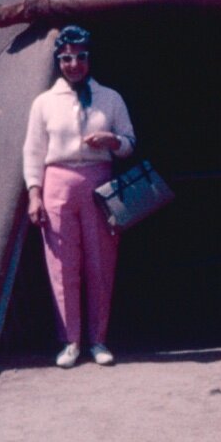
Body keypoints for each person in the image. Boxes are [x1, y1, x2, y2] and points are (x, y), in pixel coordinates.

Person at [21, 25, 135, 367]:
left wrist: (113, 142)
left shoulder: (110, 98)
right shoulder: (44, 103)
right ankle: (70, 341)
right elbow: (33, 151)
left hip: (99, 185)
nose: (74, 64)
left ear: (89, 58)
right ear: (59, 60)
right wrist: (34, 194)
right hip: (57, 184)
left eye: (80, 57)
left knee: (101, 263)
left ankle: (98, 339)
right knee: (62, 264)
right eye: (67, 58)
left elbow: (130, 143)